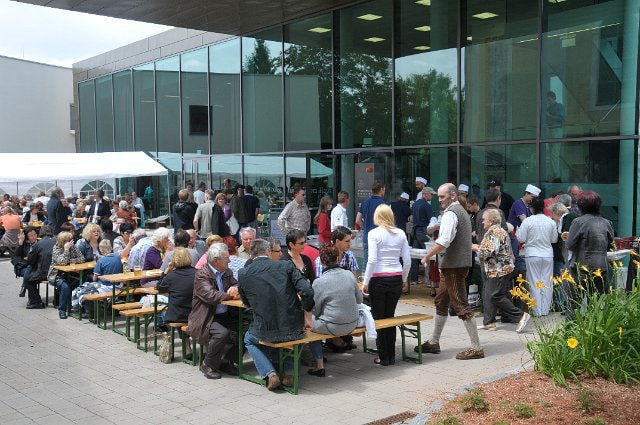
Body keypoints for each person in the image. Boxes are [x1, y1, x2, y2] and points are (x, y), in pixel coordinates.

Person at [417, 183, 484, 360]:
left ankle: (476, 347)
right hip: (454, 265)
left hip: (454, 267)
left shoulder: (451, 213)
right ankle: (434, 341)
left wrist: (427, 256)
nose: (439, 200)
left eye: (442, 197)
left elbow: (445, 240)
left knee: (461, 305)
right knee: (441, 301)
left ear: (453, 195)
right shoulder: (461, 211)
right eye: (438, 196)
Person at [238, 239, 315, 390]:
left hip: (264, 330)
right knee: (295, 337)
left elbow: (246, 302)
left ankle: (270, 373)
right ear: (268, 251)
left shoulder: (243, 273)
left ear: (251, 255)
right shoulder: (285, 266)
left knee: (248, 338)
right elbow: (307, 291)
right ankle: (289, 373)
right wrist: (307, 315)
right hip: (293, 328)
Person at [361, 204, 410, 366]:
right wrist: (404, 278)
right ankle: (391, 355)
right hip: (396, 277)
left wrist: (366, 281)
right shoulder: (401, 233)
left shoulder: (373, 233)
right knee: (390, 316)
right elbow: (407, 260)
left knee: (379, 317)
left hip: (378, 279)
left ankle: (383, 356)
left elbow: (372, 260)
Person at [307, 244, 363, 377]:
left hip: (333, 326)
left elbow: (316, 311)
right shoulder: (349, 275)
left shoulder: (319, 282)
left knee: (307, 322)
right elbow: (359, 299)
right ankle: (338, 342)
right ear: (338, 258)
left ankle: (319, 365)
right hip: (352, 323)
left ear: (321, 261)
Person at [187, 243, 241, 379]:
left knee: (246, 332)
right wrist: (230, 295)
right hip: (206, 317)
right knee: (222, 333)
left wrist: (236, 288)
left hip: (227, 315)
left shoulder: (227, 272)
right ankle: (208, 364)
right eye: (226, 258)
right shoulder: (201, 275)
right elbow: (210, 296)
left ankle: (227, 360)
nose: (229, 261)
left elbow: (236, 284)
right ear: (216, 261)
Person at [473, 208, 528, 332]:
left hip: (498, 269)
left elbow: (489, 251)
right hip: (499, 268)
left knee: (495, 296)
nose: (482, 222)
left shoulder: (494, 231)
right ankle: (489, 322)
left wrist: (476, 248)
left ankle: (520, 316)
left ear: (491, 221)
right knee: (490, 294)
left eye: (484, 220)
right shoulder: (500, 230)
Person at [565, 191, 614, 295]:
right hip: (601, 267)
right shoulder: (607, 223)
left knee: (576, 301)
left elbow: (569, 245)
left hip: (581, 268)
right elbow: (610, 245)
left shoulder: (578, 222)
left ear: (581, 205)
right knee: (596, 301)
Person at [516, 197, 558, 316]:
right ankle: (545, 310)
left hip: (532, 254)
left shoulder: (527, 221)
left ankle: (537, 310)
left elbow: (521, 238)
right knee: (546, 282)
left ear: (532, 208)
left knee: (534, 282)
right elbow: (554, 240)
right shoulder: (550, 221)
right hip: (547, 254)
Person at [48, 231, 85, 319]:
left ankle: (79, 307)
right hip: (56, 275)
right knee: (65, 287)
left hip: (71, 274)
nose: (71, 241)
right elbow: (62, 262)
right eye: (69, 240)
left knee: (83, 282)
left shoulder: (73, 247)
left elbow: (82, 258)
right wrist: (66, 250)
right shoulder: (56, 248)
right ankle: (62, 310)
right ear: (63, 241)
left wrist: (73, 260)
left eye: (71, 239)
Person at [157, 247, 196, 325]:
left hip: (177, 315)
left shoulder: (171, 276)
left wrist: (167, 270)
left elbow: (159, 287)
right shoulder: (198, 273)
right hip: (195, 313)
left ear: (174, 260)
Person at [355, 180, 387, 272]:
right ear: (381, 190)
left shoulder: (365, 202)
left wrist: (364, 226)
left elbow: (357, 220)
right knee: (379, 264)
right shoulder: (384, 204)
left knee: (366, 262)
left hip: (367, 236)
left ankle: (364, 280)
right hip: (380, 238)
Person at [22, 225, 55, 309]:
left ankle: (36, 302)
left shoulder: (38, 244)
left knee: (28, 281)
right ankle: (57, 300)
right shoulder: (56, 241)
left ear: (40, 233)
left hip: (45, 273)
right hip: (57, 272)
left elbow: (31, 261)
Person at [410, 187, 436, 284]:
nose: (432, 196)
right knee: (429, 255)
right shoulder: (427, 206)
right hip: (424, 231)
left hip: (415, 231)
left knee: (415, 255)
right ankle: (429, 281)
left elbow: (412, 218)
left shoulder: (415, 204)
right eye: (431, 194)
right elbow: (432, 220)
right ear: (426, 194)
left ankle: (413, 278)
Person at [13, 226, 39, 297]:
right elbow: (16, 256)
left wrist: (29, 258)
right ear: (27, 237)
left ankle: (25, 289)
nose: (33, 237)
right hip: (23, 267)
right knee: (30, 273)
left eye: (34, 234)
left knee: (30, 275)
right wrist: (20, 243)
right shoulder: (24, 244)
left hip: (35, 267)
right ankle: (34, 299)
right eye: (30, 236)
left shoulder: (39, 243)